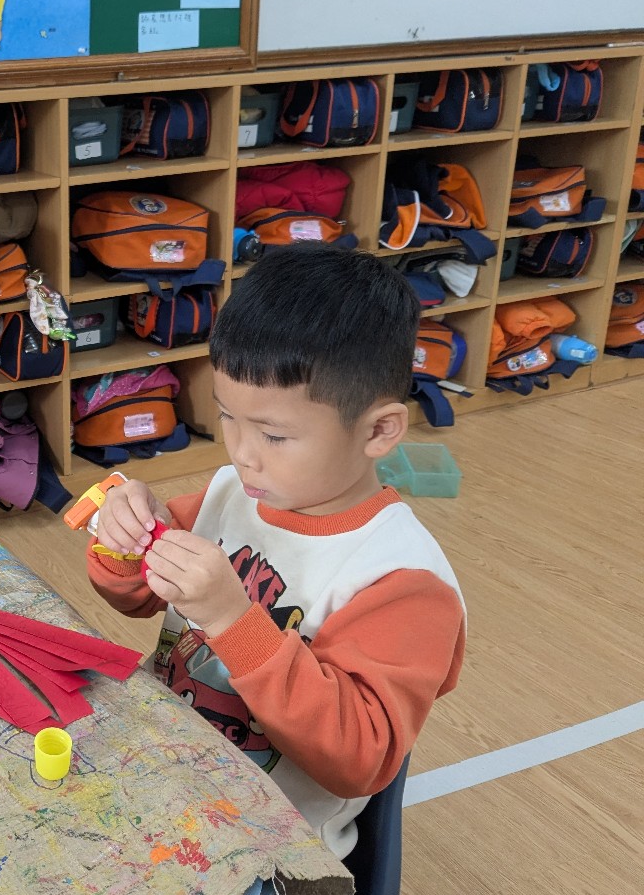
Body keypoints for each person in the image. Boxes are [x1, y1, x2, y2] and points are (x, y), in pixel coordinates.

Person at [86, 245, 466, 860]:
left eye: (274, 435)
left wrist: (233, 621)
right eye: (228, 417)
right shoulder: (231, 492)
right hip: (164, 775)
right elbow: (132, 595)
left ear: (378, 430)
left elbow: (360, 759)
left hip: (271, 850)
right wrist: (126, 538)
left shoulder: (401, 580)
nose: (242, 453)